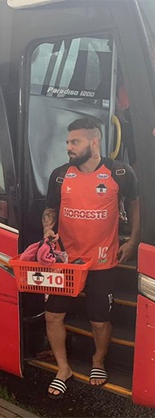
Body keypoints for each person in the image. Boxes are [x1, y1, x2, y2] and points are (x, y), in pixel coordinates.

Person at [42, 117, 139, 399]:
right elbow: (49, 209)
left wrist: (132, 239)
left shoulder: (119, 172)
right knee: (52, 316)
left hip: (101, 263)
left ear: (94, 142)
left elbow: (135, 203)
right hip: (65, 262)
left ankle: (98, 361)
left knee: (99, 321)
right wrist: (48, 228)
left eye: (75, 142)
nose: (69, 147)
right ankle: (63, 368)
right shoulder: (60, 175)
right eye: (68, 142)